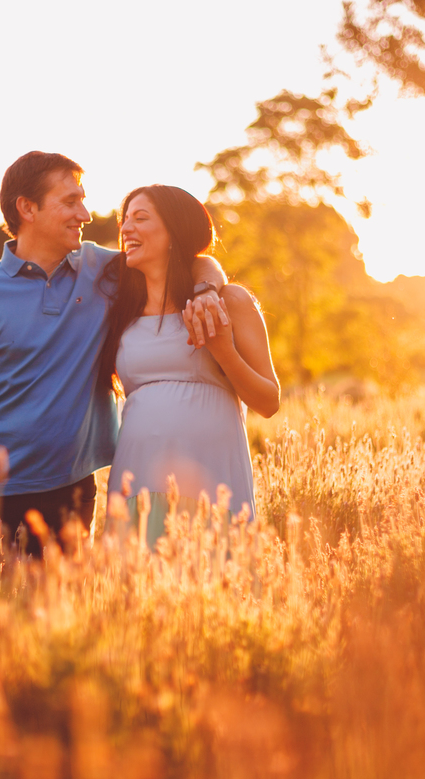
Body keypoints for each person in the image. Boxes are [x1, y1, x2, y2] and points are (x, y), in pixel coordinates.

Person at [0, 152, 227, 557]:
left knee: (59, 612)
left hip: (71, 490)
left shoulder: (105, 271)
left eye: (83, 200)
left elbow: (194, 261)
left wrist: (208, 290)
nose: (84, 214)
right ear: (27, 208)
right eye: (70, 201)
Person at [101, 185, 280, 546]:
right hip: (135, 485)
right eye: (125, 220)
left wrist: (223, 350)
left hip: (214, 485)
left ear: (174, 232)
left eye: (141, 218)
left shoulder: (228, 301)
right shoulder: (118, 307)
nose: (126, 229)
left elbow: (269, 401)